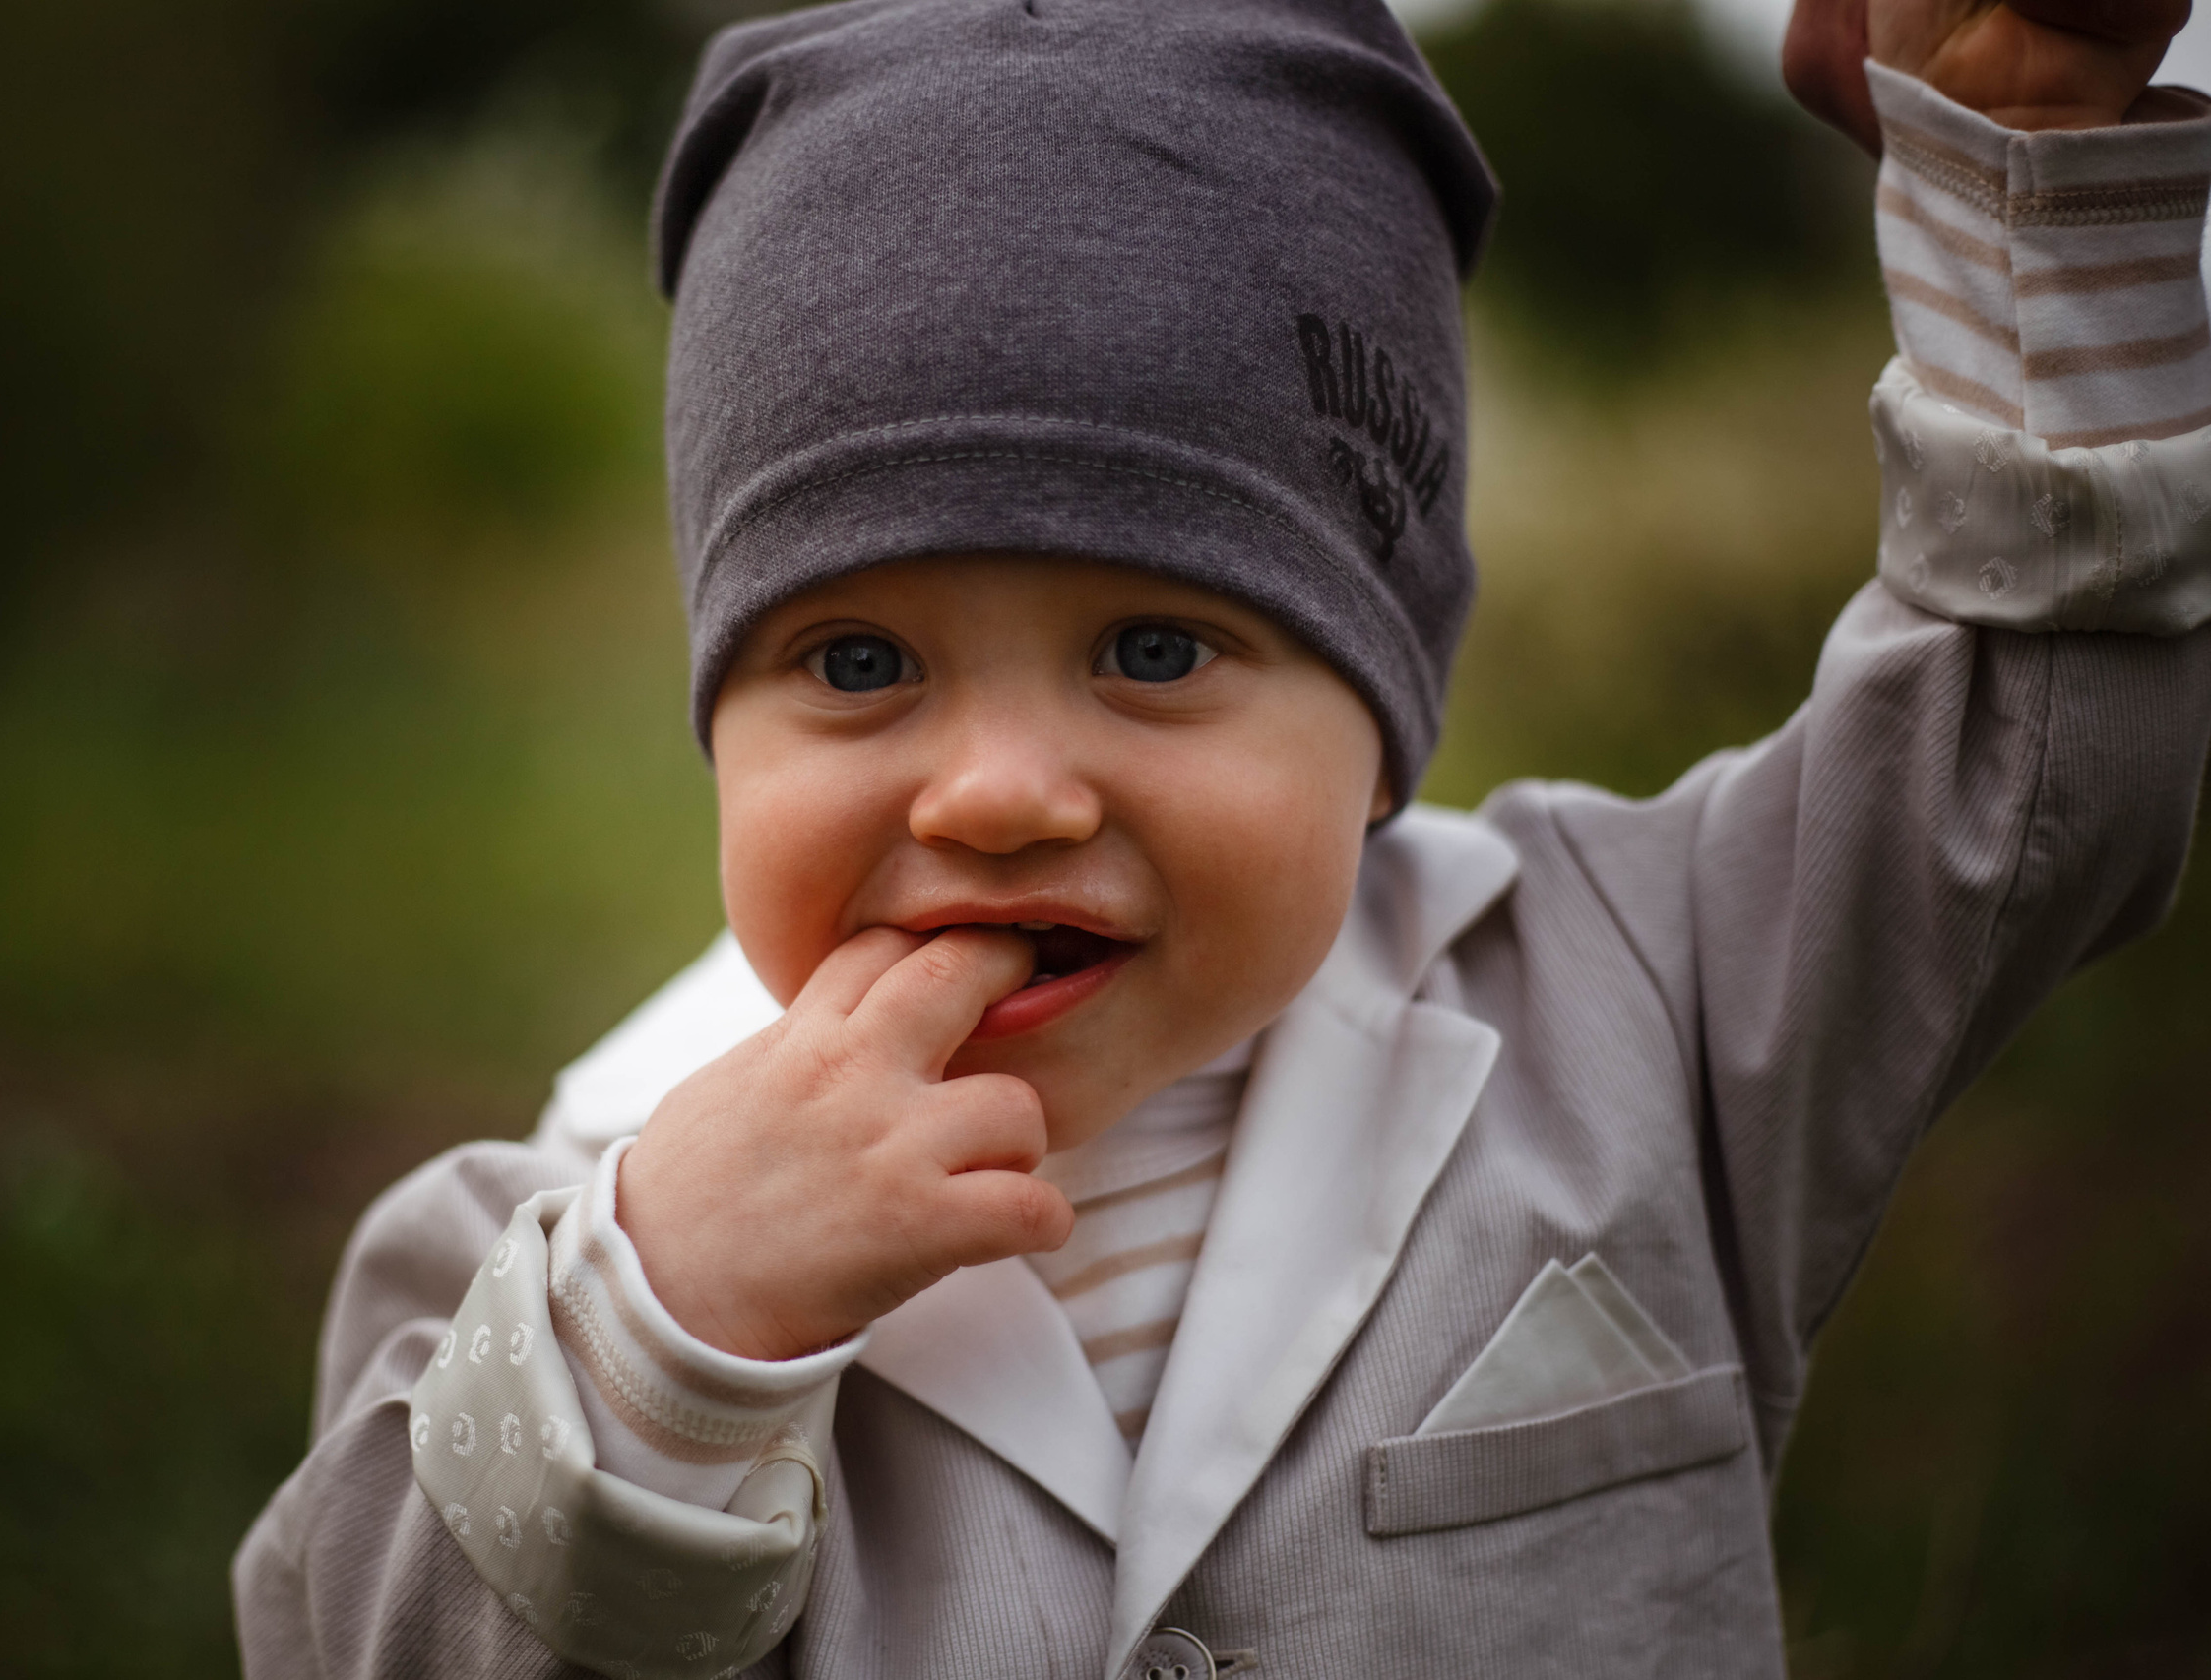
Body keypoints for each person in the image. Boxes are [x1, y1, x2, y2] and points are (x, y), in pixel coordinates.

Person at [233, 0, 2211, 1673]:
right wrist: (671, 1334)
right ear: (715, 724)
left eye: (1155, 643)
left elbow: (2042, 777)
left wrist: (2029, 168)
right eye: (852, 657)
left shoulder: (1649, 991)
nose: (999, 790)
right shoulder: (539, 1242)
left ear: (1374, 701)